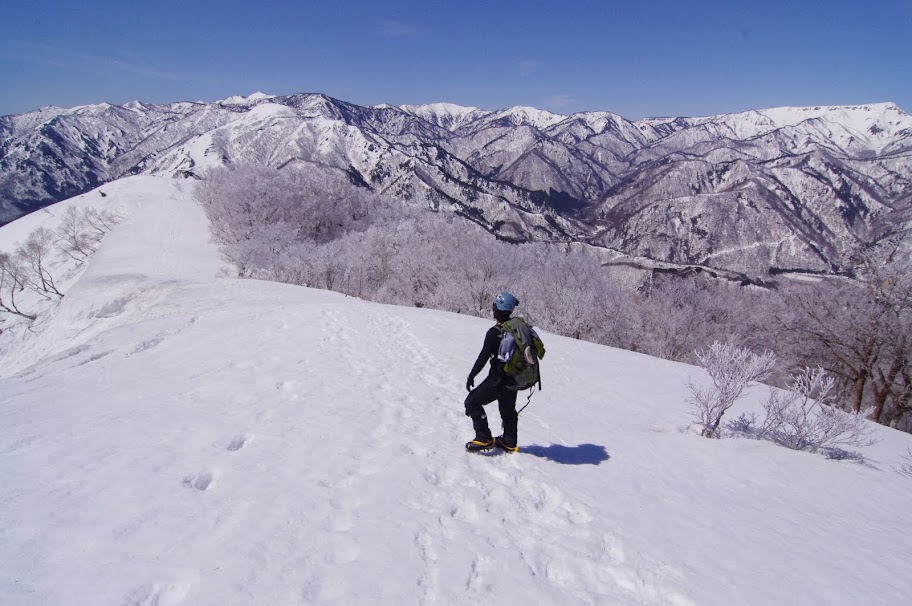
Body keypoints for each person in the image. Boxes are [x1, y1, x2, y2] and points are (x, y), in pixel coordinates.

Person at [464, 292, 521, 452]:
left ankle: (484, 438)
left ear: (497, 309)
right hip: (514, 379)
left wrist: (472, 375)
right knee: (508, 408)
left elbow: (483, 357)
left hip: (498, 379)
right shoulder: (517, 330)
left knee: (472, 402)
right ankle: (509, 441)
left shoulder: (494, 333)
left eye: (494, 306)